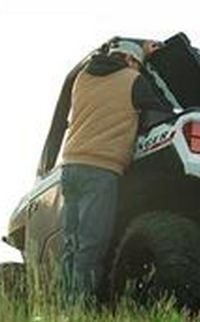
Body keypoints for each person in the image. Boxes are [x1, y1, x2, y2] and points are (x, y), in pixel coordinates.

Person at [58, 37, 166, 304]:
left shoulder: (82, 77)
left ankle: (63, 306)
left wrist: (136, 54)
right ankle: (78, 311)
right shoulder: (133, 80)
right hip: (101, 169)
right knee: (92, 244)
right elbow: (163, 107)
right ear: (130, 61)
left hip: (70, 166)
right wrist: (145, 62)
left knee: (71, 244)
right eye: (138, 65)